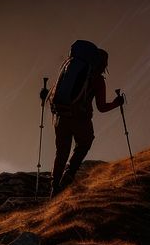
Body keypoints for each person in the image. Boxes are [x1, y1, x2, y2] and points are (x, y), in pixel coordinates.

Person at [49, 48, 123, 196]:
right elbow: (101, 107)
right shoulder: (97, 79)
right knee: (84, 143)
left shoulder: (70, 70)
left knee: (61, 152)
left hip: (61, 116)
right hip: (80, 119)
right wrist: (116, 103)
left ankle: (54, 188)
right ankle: (68, 176)